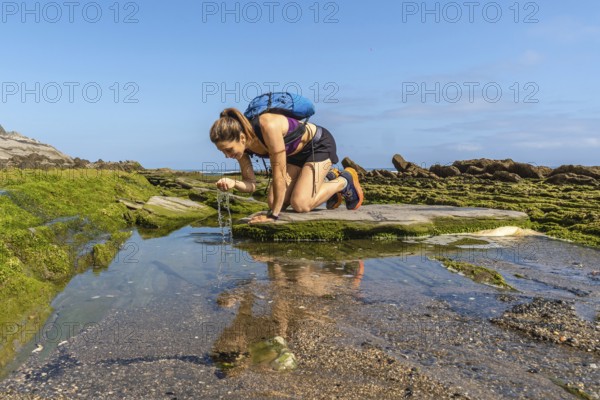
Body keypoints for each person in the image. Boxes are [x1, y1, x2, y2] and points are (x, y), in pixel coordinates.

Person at [209, 108, 363, 223]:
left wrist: (273, 216)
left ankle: (343, 180)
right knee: (274, 201)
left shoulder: (267, 125)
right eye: (223, 151)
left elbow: (279, 175)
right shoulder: (241, 149)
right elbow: (251, 185)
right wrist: (233, 183)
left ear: (242, 138)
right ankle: (325, 179)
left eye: (228, 150)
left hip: (318, 146)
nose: (227, 156)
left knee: (300, 204)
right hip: (294, 157)